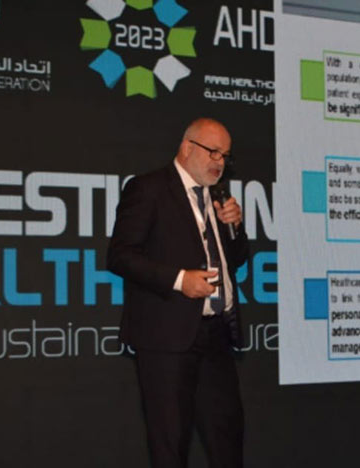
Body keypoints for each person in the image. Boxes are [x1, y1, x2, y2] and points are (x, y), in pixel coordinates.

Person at [107, 118, 248, 467]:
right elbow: (120, 255)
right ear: (187, 147)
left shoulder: (218, 196)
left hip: (216, 335)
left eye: (225, 155)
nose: (219, 162)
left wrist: (235, 227)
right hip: (166, 339)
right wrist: (180, 279)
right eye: (213, 152)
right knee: (170, 444)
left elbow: (236, 259)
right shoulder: (149, 189)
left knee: (227, 439)